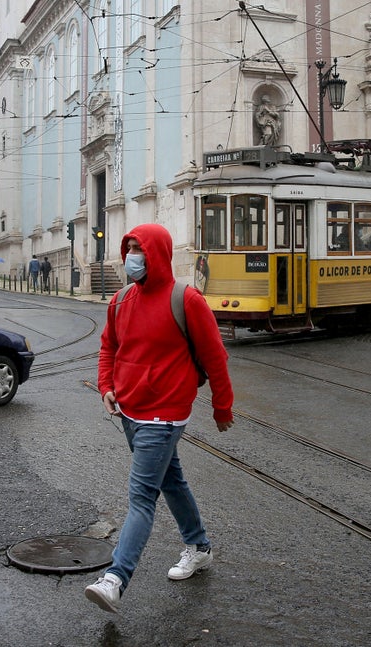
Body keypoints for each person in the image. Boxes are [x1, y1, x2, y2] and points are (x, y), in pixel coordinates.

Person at [86, 223, 234, 613]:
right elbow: (109, 348)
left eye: (139, 248)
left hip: (165, 413)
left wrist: (223, 406)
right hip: (129, 411)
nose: (133, 255)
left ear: (157, 254)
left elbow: (216, 357)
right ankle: (199, 547)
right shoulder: (119, 300)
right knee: (172, 479)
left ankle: (115, 578)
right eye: (129, 247)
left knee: (141, 496)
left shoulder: (187, 299)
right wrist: (106, 386)